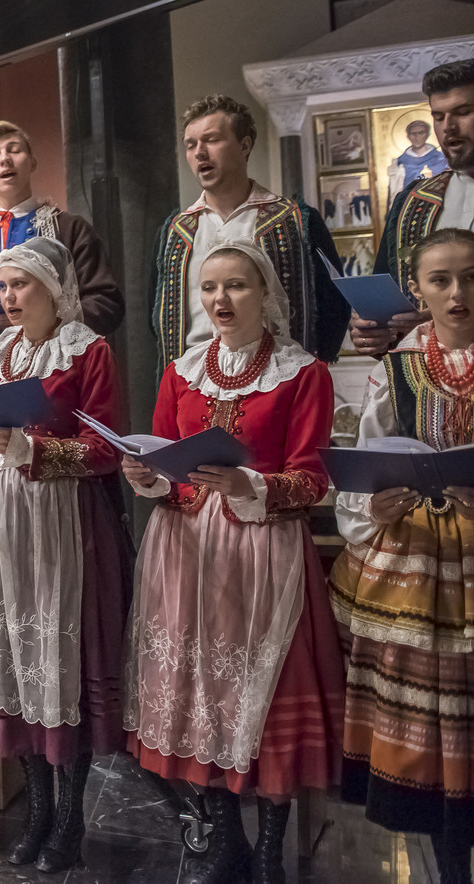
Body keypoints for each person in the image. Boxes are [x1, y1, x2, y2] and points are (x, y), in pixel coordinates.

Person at [123, 239, 345, 884]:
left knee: (261, 694)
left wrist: (251, 486)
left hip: (262, 548)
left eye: (236, 286)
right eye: (210, 287)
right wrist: (150, 476)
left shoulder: (303, 373)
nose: (221, 299)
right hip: (184, 549)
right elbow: (166, 459)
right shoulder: (182, 370)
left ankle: (270, 848)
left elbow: (312, 480)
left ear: (265, 293)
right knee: (201, 691)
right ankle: (226, 841)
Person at [0, 238, 128, 872]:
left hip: (60, 522)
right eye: (4, 286)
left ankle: (69, 818)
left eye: (20, 285)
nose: (9, 297)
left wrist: (34, 451)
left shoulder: (88, 351)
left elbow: (107, 450)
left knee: (57, 665)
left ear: (52, 288)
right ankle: (37, 810)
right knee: (12, 662)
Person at [330, 227, 474, 884]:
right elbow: (369, 457)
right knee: (432, 712)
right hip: (416, 557)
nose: (457, 292)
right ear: (417, 291)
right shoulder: (398, 368)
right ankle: (450, 860)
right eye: (441, 280)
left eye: (469, 277)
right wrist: (376, 504)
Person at [153, 95, 347, 367]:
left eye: (211, 140)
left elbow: (335, 307)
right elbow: (157, 318)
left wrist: (309, 375)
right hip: (193, 377)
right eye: (191, 145)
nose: (199, 153)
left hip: (276, 377)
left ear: (244, 145)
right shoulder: (176, 232)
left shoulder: (294, 221)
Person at [0, 122, 124, 360]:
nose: (5, 159)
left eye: (14, 150)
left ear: (32, 163)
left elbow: (106, 303)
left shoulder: (70, 229)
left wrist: (43, 322)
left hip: (57, 367)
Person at [356, 59, 474, 357]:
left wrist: (445, 318)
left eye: (463, 112)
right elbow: (385, 299)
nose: (448, 127)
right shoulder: (413, 201)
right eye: (438, 116)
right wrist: (375, 331)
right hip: (425, 372)